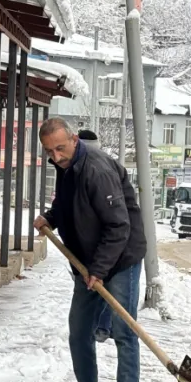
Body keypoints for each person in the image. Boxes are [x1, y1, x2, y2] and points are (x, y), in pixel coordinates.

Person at [32, 118, 146, 382]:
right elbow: (72, 206)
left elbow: (118, 225)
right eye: (49, 151)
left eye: (60, 147)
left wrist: (99, 270)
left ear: (73, 139)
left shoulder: (96, 169)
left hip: (120, 259)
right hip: (88, 261)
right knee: (79, 329)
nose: (55, 156)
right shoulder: (67, 168)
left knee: (124, 332)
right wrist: (51, 218)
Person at [75, 129, 113, 343]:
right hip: (87, 248)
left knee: (104, 287)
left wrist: (100, 265)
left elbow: (115, 223)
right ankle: (99, 326)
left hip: (107, 245)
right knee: (96, 289)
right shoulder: (73, 169)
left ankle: (103, 327)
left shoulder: (100, 171)